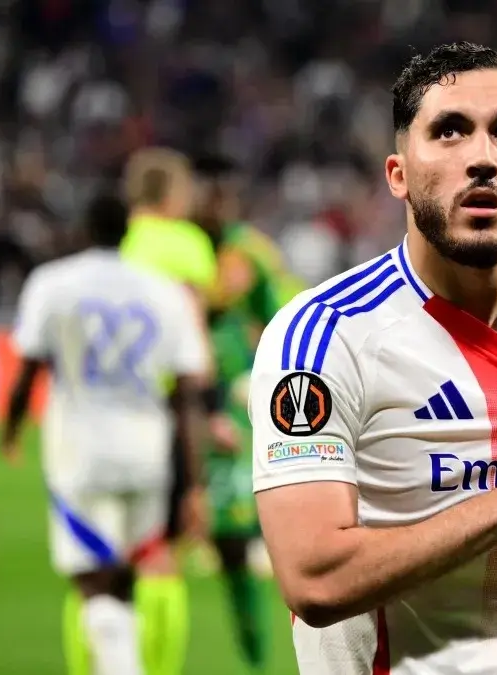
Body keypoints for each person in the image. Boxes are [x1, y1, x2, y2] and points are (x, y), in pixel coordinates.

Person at [249, 42, 497, 674]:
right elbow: (314, 581)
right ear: (398, 174)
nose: (482, 157)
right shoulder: (326, 337)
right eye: (449, 131)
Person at [0, 193, 209, 675]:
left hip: (81, 452)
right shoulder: (164, 292)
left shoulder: (52, 283)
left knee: (91, 579)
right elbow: (186, 395)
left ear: (83, 232)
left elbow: (28, 371)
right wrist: (192, 482)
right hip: (148, 454)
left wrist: (10, 430)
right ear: (127, 233)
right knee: (126, 576)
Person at [192, 153, 306, 672]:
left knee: (234, 536)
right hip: (193, 397)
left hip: (238, 401)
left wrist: (263, 369)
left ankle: (258, 655)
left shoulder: (248, 251)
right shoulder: (189, 249)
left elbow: (283, 313)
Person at [109, 146, 220, 675]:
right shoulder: (186, 244)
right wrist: (211, 409)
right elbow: (194, 349)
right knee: (162, 556)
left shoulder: (118, 245)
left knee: (107, 562)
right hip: (167, 411)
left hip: (110, 413)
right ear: (172, 193)